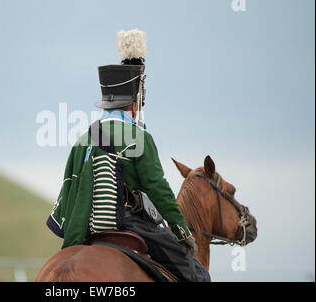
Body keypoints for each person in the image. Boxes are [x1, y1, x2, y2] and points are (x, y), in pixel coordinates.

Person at [46, 29, 208, 282]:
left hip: (83, 227)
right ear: (134, 103)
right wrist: (182, 230)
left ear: (107, 102)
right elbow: (158, 188)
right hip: (130, 224)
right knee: (197, 274)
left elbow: (69, 186)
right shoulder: (138, 137)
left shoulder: (83, 139)